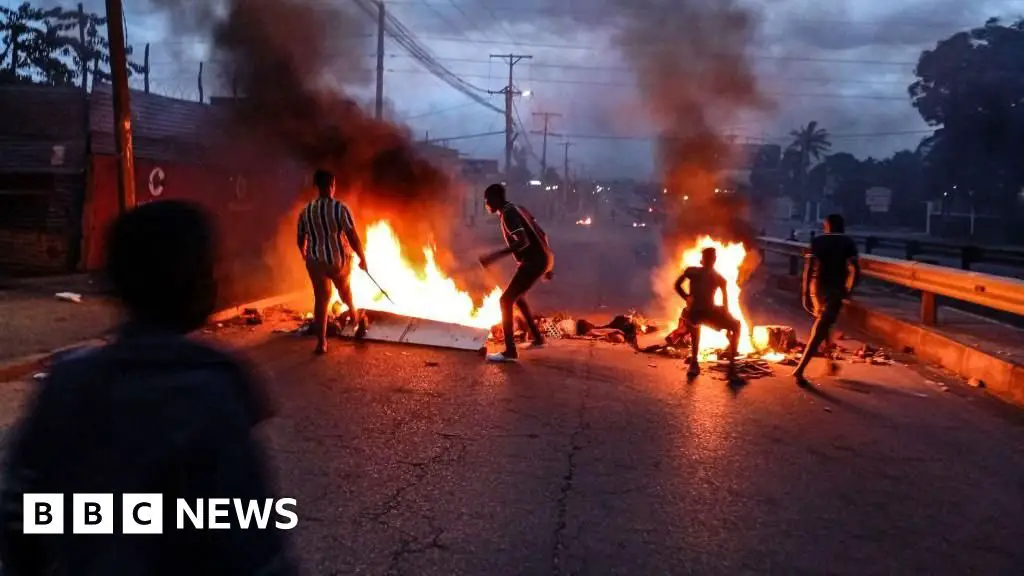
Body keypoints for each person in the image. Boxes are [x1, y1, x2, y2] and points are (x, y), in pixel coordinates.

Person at [0, 200, 295, 575]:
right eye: (210, 270)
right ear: (199, 288)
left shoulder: (67, 383)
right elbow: (253, 548)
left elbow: (19, 517)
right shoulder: (213, 395)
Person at [478, 183, 554, 363]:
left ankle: (510, 352)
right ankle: (538, 338)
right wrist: (548, 261)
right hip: (540, 259)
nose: (486, 204)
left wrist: (494, 256)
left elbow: (523, 242)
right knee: (517, 297)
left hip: (533, 262)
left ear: (496, 199)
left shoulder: (508, 214)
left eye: (487, 200)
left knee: (505, 300)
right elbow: (541, 233)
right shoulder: (517, 208)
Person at [298, 168, 368, 354]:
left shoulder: (307, 210)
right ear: (331, 186)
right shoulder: (340, 208)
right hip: (336, 261)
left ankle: (322, 344)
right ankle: (356, 319)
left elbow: (300, 238)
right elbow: (352, 236)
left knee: (321, 300)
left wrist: (304, 254)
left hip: (314, 261)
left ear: (317, 186)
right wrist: (362, 258)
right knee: (345, 293)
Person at [793, 213, 861, 386]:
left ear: (827, 225)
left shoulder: (818, 241)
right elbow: (855, 269)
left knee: (824, 324)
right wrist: (849, 288)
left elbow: (808, 269)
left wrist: (805, 294)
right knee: (821, 327)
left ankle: (829, 363)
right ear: (842, 226)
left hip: (817, 289)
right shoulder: (848, 242)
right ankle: (800, 370)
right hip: (835, 290)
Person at [674, 247, 741, 380]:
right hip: (695, 312)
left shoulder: (719, 278)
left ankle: (732, 368)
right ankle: (694, 362)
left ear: (714, 260)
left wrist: (726, 317)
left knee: (736, 325)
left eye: (712, 258)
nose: (710, 261)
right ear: (703, 260)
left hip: (710, 311)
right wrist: (687, 298)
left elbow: (725, 301)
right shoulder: (693, 271)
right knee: (694, 322)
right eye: (708, 258)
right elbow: (677, 285)